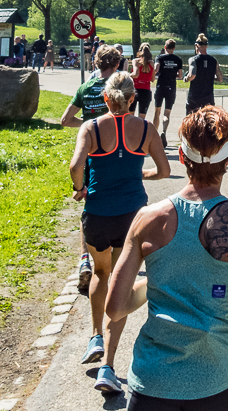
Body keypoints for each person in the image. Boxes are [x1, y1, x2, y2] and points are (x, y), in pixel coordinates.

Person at [106, 106, 228, 411]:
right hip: (218, 378)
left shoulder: (146, 219)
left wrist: (155, 282)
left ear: (182, 157)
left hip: (153, 381)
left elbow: (116, 307)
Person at [69, 71, 170, 396]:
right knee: (122, 283)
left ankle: (95, 335)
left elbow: (75, 166)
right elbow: (165, 171)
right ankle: (108, 366)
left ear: (106, 98)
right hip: (131, 216)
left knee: (100, 272)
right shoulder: (146, 129)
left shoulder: (92, 128)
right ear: (132, 98)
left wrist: (80, 188)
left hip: (98, 213)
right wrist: (143, 174)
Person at [62, 44, 125, 296]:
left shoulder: (85, 88)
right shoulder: (119, 87)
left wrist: (89, 125)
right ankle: (116, 262)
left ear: (95, 64)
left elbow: (65, 119)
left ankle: (85, 259)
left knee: (90, 205)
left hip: (91, 155)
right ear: (117, 64)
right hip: (118, 152)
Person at [153, 39, 184, 148]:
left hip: (161, 86)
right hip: (171, 87)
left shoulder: (159, 57)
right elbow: (180, 76)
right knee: (167, 113)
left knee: (157, 111)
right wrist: (173, 75)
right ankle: (164, 131)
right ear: (174, 48)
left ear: (165, 47)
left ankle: (154, 135)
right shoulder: (178, 59)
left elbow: (156, 69)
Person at [184, 33, 224, 114]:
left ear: (196, 45)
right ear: (207, 46)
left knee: (190, 120)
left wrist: (186, 78)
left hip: (195, 96)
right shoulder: (213, 60)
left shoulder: (193, 59)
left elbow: (192, 75)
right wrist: (211, 78)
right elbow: (220, 79)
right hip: (208, 97)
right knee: (208, 121)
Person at [132, 43, 155, 122]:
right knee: (141, 118)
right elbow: (152, 79)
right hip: (146, 91)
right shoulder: (152, 63)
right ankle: (139, 133)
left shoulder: (135, 61)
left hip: (134, 90)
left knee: (130, 116)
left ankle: (130, 133)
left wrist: (127, 75)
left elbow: (135, 74)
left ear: (139, 50)